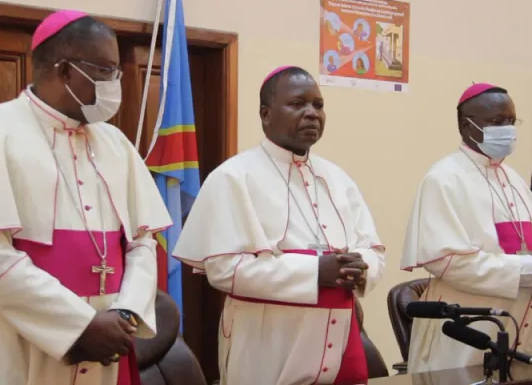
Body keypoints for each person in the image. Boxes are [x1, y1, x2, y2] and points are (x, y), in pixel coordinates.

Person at [0, 10, 172, 385]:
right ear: (65, 71)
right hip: (18, 336)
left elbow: (141, 242)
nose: (116, 83)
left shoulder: (116, 144)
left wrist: (125, 314)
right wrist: (78, 326)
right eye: (107, 70)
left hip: (110, 334)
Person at [173, 66, 386, 384]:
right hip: (267, 343)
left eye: (318, 105)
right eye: (298, 104)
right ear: (265, 114)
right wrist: (315, 272)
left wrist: (361, 265)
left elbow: (373, 249)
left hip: (339, 337)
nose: (312, 114)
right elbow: (223, 269)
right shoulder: (234, 177)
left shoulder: (337, 178)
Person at [401, 83, 532, 373]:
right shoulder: (444, 178)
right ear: (466, 126)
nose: (507, 130)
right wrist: (525, 271)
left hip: (517, 329)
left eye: (511, 121)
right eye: (497, 122)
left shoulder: (515, 180)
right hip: (463, 334)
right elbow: (449, 263)